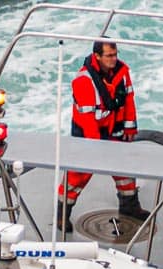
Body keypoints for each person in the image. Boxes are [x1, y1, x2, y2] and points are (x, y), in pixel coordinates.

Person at [57, 40, 150, 233]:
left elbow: (129, 100)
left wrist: (130, 128)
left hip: (114, 130)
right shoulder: (83, 81)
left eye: (115, 54)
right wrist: (97, 148)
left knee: (124, 170)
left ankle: (129, 206)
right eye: (109, 56)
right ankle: (62, 214)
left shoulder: (122, 73)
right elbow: (87, 119)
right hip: (88, 136)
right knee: (78, 176)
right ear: (97, 56)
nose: (114, 59)